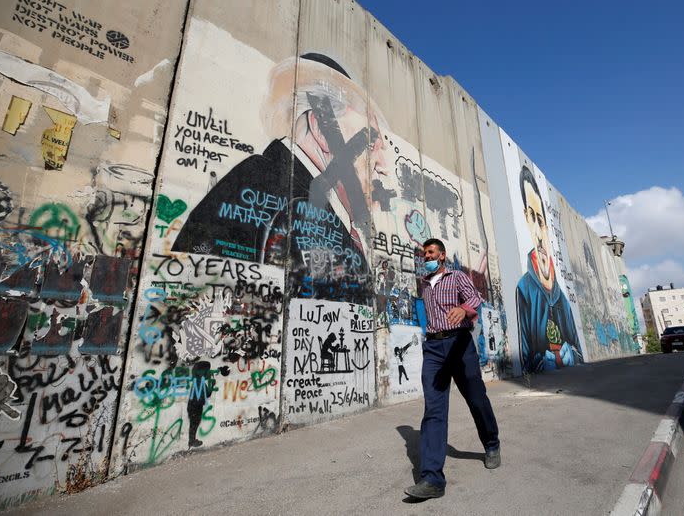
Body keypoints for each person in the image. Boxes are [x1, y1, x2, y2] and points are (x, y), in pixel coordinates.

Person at [171, 53, 388, 304]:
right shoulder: (267, 186)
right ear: (321, 129)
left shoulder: (302, 195)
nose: (382, 166)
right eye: (369, 145)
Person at [404, 238, 500, 500]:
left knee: (476, 399)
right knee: (433, 410)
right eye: (424, 255)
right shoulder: (423, 284)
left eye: (431, 253)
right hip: (434, 349)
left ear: (442, 255)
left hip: (460, 344)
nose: (427, 257)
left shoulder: (456, 277)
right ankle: (432, 479)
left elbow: (475, 299)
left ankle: (491, 443)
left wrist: (463, 309)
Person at [516, 165, 582, 373]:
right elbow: (523, 359)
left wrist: (572, 354)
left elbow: (579, 350)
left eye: (541, 221)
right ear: (526, 219)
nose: (537, 231)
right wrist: (540, 362)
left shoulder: (562, 297)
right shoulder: (524, 289)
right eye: (532, 218)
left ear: (546, 227)